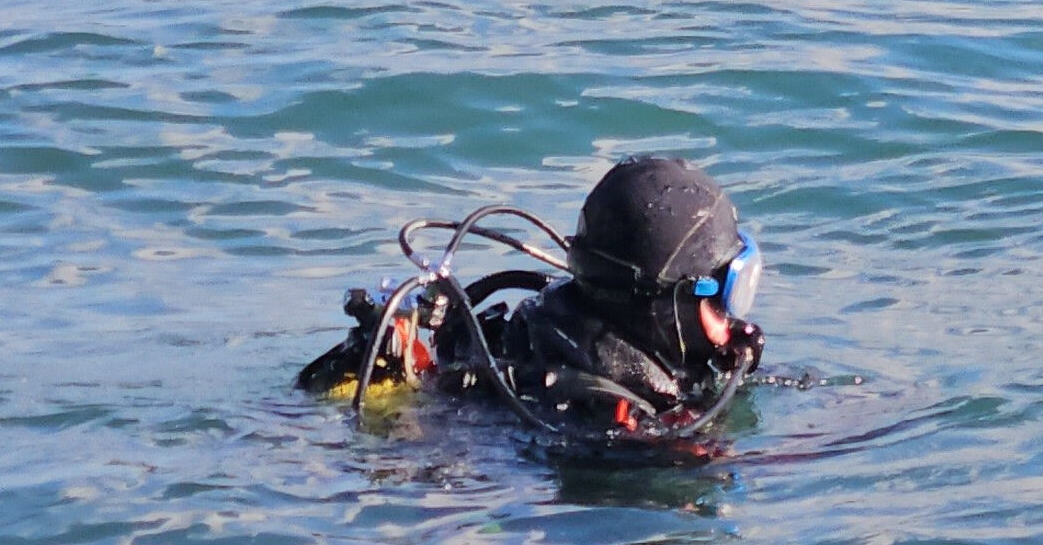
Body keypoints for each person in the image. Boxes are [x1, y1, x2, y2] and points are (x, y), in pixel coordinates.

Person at [299, 154, 764, 445]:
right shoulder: (616, 424)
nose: (738, 323)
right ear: (666, 308)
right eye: (727, 297)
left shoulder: (529, 335)